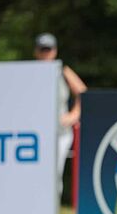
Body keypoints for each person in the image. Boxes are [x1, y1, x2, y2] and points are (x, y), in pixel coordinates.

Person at [34, 32, 87, 198]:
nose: (45, 53)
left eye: (48, 49)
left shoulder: (63, 71)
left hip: (60, 134)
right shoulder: (29, 72)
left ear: (55, 51)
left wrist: (74, 114)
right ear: (36, 51)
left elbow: (83, 94)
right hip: (35, 134)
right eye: (42, 49)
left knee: (54, 173)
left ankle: (51, 207)